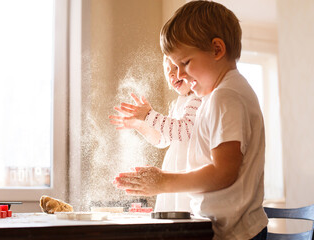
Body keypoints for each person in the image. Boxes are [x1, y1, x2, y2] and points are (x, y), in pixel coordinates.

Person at [112, 1, 268, 239]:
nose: (181, 74)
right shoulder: (225, 94)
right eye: (174, 66)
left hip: (234, 232)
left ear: (217, 50)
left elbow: (224, 172)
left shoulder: (225, 97)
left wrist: (163, 182)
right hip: (232, 228)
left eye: (185, 63)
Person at [109, 55, 201, 212]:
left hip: (188, 174)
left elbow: (184, 131)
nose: (172, 74)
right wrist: (140, 125)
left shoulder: (197, 99)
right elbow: (163, 139)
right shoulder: (177, 103)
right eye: (168, 70)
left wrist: (150, 116)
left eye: (177, 68)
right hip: (173, 172)